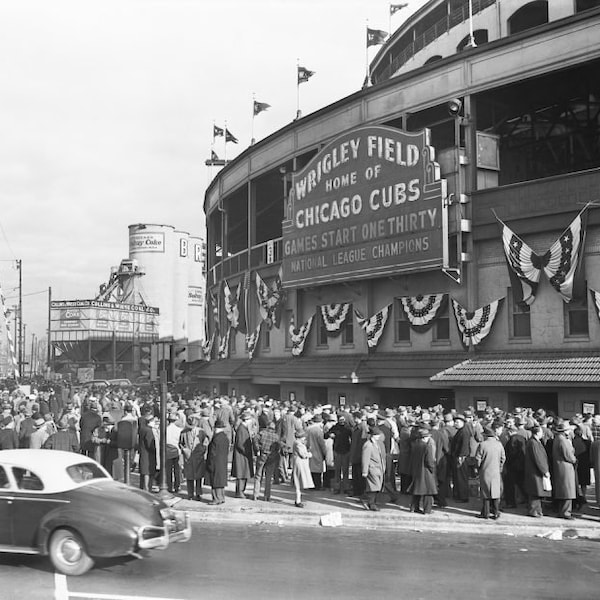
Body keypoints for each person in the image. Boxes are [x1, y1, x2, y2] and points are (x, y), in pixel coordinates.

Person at [474, 424, 505, 520]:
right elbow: (503, 458)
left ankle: (485, 513)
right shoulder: (499, 444)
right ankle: (496, 512)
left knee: (485, 493)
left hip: (485, 471)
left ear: (486, 435)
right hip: (496, 472)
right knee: (495, 493)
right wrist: (500, 467)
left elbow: (478, 459)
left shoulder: (482, 445)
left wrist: (477, 468)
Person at [408, 425, 438, 515]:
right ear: (425, 437)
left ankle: (414, 507)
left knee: (417, 489)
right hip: (425, 471)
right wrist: (432, 469)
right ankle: (427, 510)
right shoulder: (426, 446)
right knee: (428, 491)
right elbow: (429, 460)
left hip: (416, 470)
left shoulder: (415, 445)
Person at [523, 425, 552, 518]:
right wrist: (544, 470)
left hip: (535, 471)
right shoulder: (533, 443)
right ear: (537, 433)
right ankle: (534, 511)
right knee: (535, 492)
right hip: (535, 472)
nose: (543, 434)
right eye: (541, 432)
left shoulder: (534, 442)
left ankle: (538, 511)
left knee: (537, 492)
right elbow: (538, 458)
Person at [552, 421, 578, 520]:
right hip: (566, 467)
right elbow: (568, 455)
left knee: (563, 490)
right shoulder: (563, 441)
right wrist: (574, 459)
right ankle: (566, 512)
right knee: (568, 490)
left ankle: (563, 511)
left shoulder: (557, 439)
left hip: (560, 466)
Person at [179, 414, 208, 501]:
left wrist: (202, 451)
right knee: (189, 476)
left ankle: (198, 493)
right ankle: (190, 494)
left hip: (198, 457)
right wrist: (184, 450)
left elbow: (205, 442)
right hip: (188, 458)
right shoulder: (184, 432)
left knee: (198, 477)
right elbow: (180, 443)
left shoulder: (201, 432)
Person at [252, 420, 281, 502]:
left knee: (258, 476)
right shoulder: (276, 437)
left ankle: (255, 494)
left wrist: (257, 449)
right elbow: (278, 448)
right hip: (271, 458)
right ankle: (266, 496)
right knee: (268, 478)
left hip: (262, 455)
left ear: (268, 427)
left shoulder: (262, 433)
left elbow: (254, 439)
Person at [361, 424, 386, 511]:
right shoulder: (368, 445)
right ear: (372, 435)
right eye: (376, 435)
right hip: (372, 469)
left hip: (378, 468)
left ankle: (369, 502)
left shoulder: (377, 444)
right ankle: (371, 503)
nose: (378, 436)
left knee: (375, 487)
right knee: (374, 487)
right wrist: (364, 471)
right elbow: (365, 458)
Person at [231, 411, 255, 499]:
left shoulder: (243, 428)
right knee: (241, 474)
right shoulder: (241, 429)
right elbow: (240, 444)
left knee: (244, 474)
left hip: (243, 455)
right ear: (246, 420)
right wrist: (247, 452)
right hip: (242, 455)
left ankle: (241, 491)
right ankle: (239, 492)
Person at [206, 419, 229, 505]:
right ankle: (221, 497)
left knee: (215, 481)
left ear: (215, 428)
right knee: (221, 481)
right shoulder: (225, 437)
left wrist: (210, 463)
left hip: (215, 462)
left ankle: (216, 498)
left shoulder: (215, 438)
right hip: (222, 461)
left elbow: (212, 453)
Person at [291, 429, 313, 507]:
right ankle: (298, 500)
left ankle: (298, 499)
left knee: (298, 482)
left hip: (298, 463)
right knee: (298, 482)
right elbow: (303, 455)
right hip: (300, 464)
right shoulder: (298, 444)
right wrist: (309, 454)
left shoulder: (297, 443)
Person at [306, 413, 327, 490]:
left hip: (309, 450)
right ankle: (317, 485)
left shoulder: (308, 429)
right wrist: (325, 452)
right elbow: (321, 443)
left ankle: (311, 485)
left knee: (311, 468)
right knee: (317, 470)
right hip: (317, 451)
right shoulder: (318, 430)